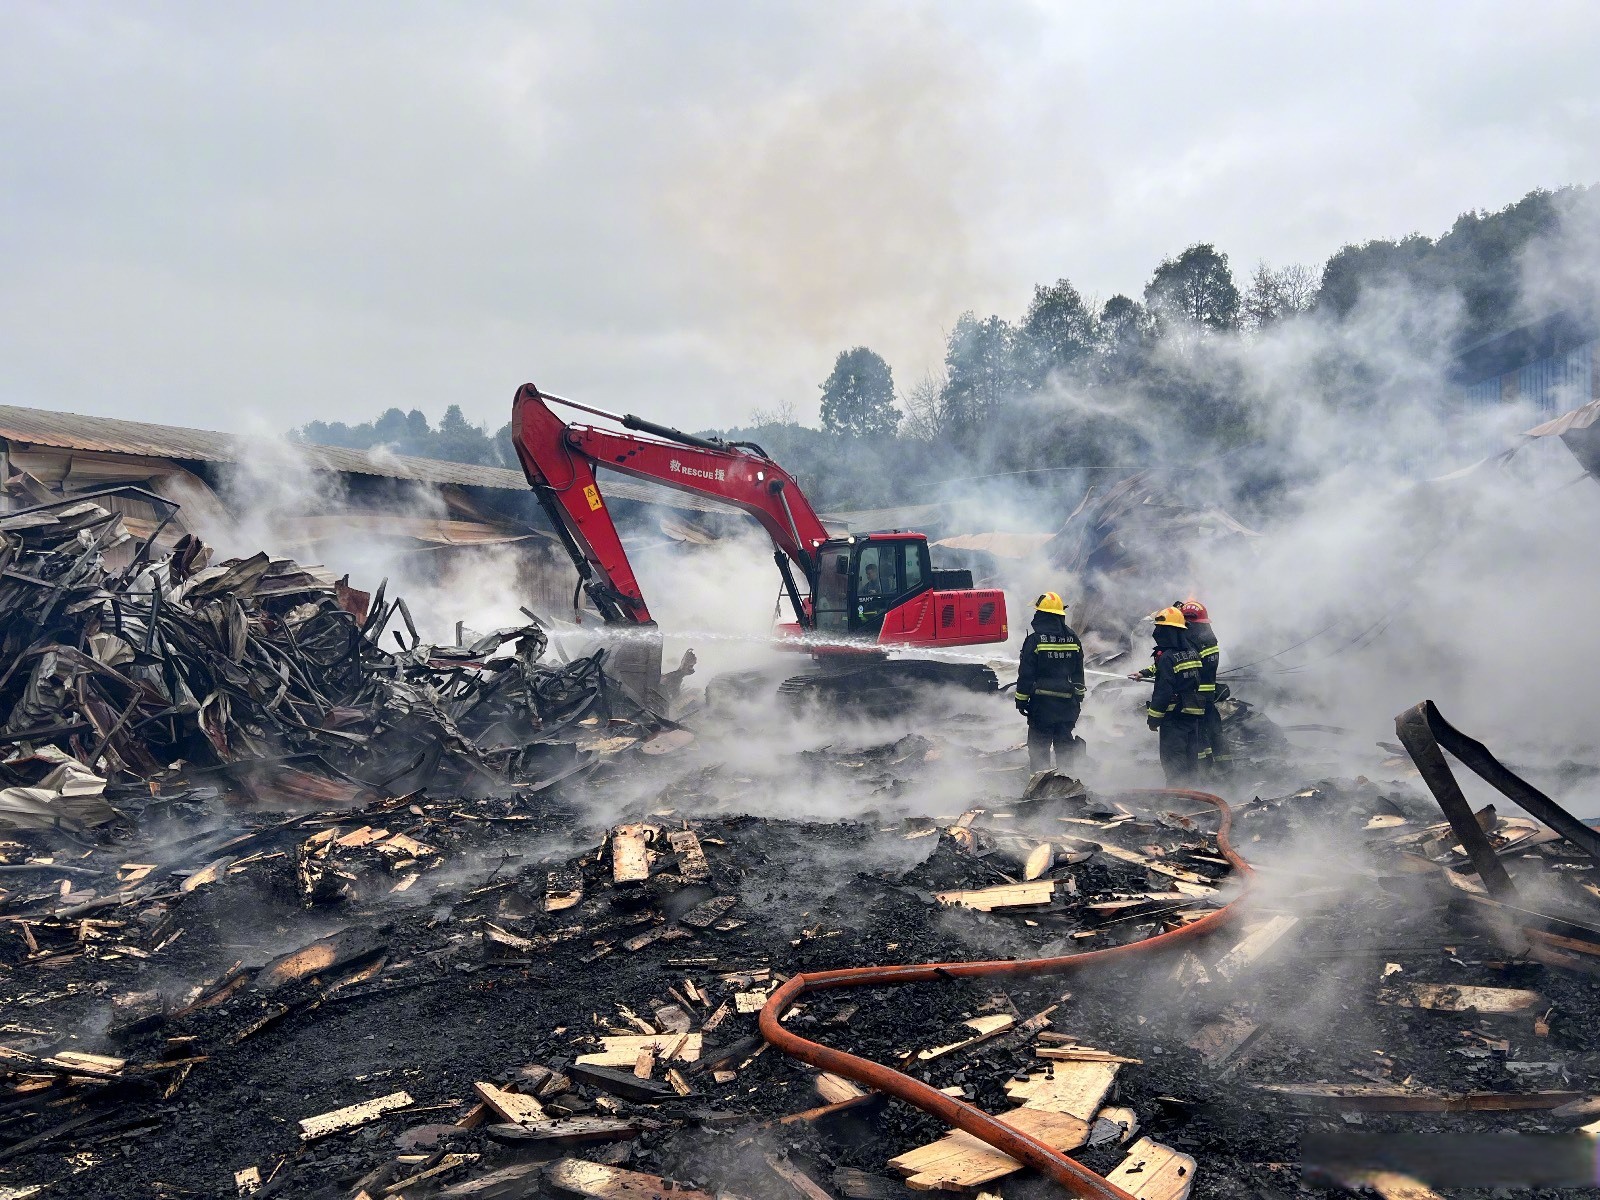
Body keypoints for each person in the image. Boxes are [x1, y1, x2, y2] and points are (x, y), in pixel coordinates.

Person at [1015, 592, 1087, 773]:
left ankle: (1040, 792)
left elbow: (1026, 674)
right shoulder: (1073, 638)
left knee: (1039, 749)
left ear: (1041, 615)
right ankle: (1067, 784)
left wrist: (1021, 700)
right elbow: (1079, 673)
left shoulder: (1035, 640)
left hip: (1042, 707)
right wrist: (1078, 699)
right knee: (1064, 747)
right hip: (1067, 705)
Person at [1145, 606, 1204, 784]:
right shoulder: (1192, 653)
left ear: (1169, 632)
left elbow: (1162, 692)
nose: (1157, 632)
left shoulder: (1167, 658)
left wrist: (1153, 719)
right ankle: (1195, 798)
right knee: (1190, 759)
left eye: (1161, 629)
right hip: (1191, 714)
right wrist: (1144, 672)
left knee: (1173, 762)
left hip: (1173, 718)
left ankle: (1177, 801)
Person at [1179, 599, 1231, 776]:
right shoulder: (1208, 637)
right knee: (1216, 733)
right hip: (1208, 696)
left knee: (1199, 736)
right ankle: (1226, 771)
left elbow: (1185, 664)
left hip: (1196, 697)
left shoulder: (1192, 639)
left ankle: (1204, 771)